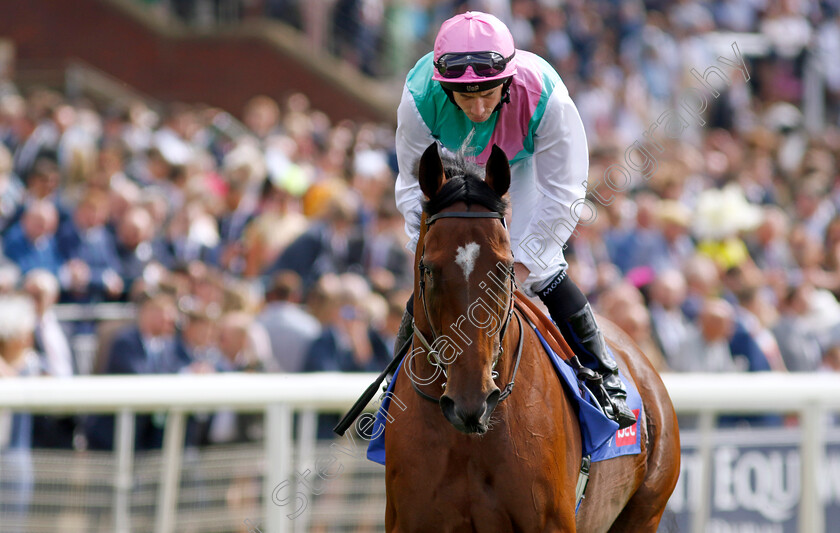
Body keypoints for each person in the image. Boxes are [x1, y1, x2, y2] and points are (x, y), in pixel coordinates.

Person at [392, 11, 635, 428]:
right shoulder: (419, 96)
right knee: (438, 272)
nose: (478, 107)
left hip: (519, 167)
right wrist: (432, 250)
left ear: (508, 78)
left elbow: (565, 192)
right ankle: (392, 390)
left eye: (488, 93)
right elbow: (413, 188)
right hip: (451, 164)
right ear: (444, 87)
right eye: (465, 97)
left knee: (543, 268)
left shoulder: (547, 97)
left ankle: (604, 375)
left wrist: (520, 265)